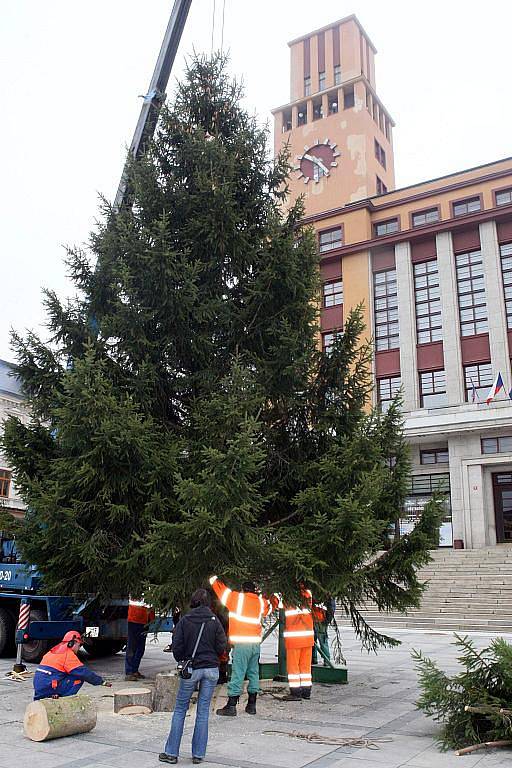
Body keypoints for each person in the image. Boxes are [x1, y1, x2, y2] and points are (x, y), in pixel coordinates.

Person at [159, 588, 226, 765]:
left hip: (191, 669)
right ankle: (198, 755)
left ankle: (171, 753)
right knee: (203, 711)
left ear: (193, 601)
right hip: (211, 669)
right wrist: (213, 657)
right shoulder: (214, 620)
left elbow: (177, 645)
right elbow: (222, 645)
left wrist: (183, 659)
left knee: (180, 709)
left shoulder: (185, 620)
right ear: (208, 602)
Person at [210, 575, 273, 716]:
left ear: (243, 590)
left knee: (238, 673)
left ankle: (231, 706)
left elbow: (222, 591)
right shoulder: (260, 602)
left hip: (242, 644)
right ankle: (251, 705)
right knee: (253, 673)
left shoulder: (236, 598)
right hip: (255, 645)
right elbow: (270, 606)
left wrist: (213, 579)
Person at [33, 630, 111, 700]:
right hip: (48, 686)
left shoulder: (53, 650)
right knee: (79, 678)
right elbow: (84, 673)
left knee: (67, 674)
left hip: (39, 688)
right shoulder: (68, 654)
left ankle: (49, 695)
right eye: (79, 645)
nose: (79, 648)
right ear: (73, 643)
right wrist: (101, 682)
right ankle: (64, 700)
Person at [282, 586, 315, 701]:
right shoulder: (308, 593)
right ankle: (306, 692)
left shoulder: (287, 595)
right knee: (306, 666)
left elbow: (277, 604)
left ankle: (295, 693)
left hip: (294, 639)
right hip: (307, 638)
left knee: (293, 667)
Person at [125, 595, 155, 681]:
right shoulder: (137, 588)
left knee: (140, 648)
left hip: (145, 620)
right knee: (132, 647)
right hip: (135, 619)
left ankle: (134, 670)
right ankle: (129, 672)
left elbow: (150, 605)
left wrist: (151, 619)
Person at [312, 598, 334, 665]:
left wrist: (327, 620)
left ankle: (325, 660)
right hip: (315, 620)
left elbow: (331, 608)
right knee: (314, 642)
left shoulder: (326, 598)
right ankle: (315, 659)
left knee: (322, 642)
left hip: (320, 621)